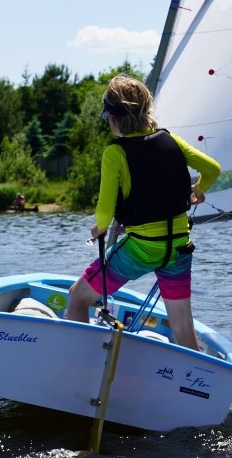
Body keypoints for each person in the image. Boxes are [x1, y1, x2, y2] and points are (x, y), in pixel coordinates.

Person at [65, 75, 220, 350]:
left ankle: (83, 363)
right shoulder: (171, 140)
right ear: (146, 110)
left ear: (112, 117)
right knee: (183, 325)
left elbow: (104, 213)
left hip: (142, 249)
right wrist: (198, 190)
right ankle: (195, 380)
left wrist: (99, 228)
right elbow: (212, 169)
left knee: (77, 296)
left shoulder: (115, 153)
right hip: (178, 248)